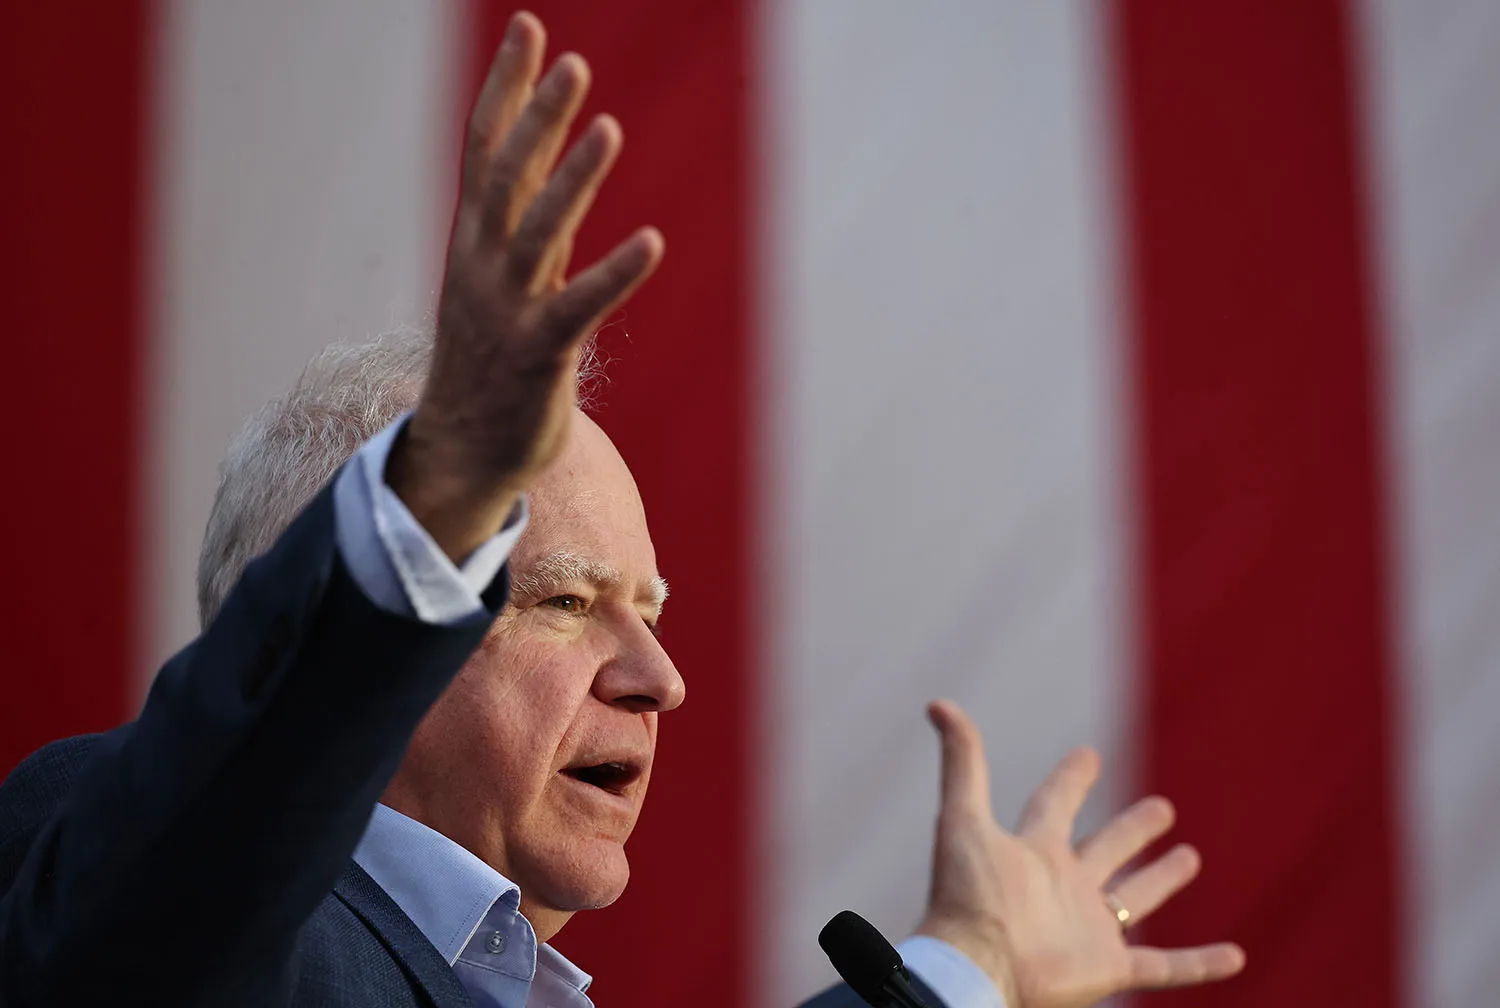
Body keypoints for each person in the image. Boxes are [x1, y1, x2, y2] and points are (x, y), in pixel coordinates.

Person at [0, 11, 1244, 1007]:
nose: (659, 678)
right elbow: (194, 865)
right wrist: (443, 486)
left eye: (646, 609)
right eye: (564, 600)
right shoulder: (161, 887)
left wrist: (975, 963)